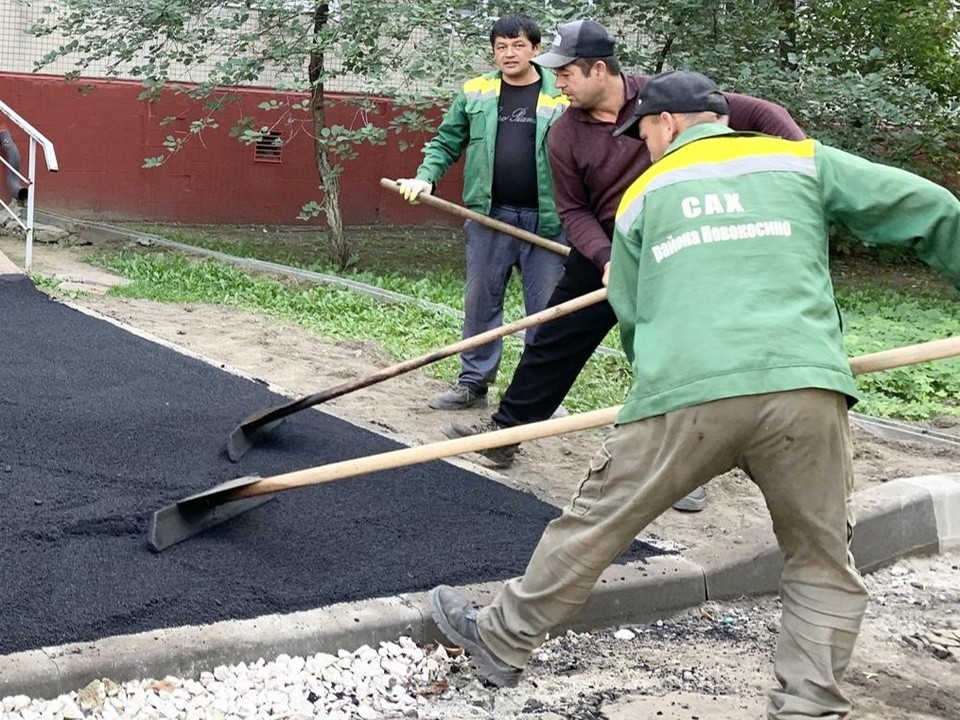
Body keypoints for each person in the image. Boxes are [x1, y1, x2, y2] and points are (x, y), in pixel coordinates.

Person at [428, 69, 960, 718]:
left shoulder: (643, 196)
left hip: (685, 393)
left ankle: (501, 640)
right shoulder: (799, 158)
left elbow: (630, 310)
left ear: (670, 123)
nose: (640, 145)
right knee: (821, 559)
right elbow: (936, 210)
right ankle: (809, 706)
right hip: (805, 388)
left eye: (642, 131)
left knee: (595, 524)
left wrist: (657, 379)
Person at [441, 19, 806, 513]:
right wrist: (608, 258)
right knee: (556, 337)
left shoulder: (664, 100)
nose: (559, 83)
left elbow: (761, 112)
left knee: (671, 354)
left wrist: (800, 165)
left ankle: (684, 470)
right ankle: (506, 435)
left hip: (677, 249)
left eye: (566, 73)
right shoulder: (565, 132)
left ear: (598, 68)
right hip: (608, 250)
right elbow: (573, 211)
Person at [396, 15, 570, 411]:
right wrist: (426, 178)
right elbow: (445, 141)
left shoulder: (561, 95)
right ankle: (472, 385)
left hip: (547, 222)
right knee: (480, 302)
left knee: (545, 311)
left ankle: (537, 396)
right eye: (502, 47)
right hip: (489, 217)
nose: (510, 54)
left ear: (536, 49)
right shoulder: (476, 92)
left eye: (519, 45)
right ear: (493, 52)